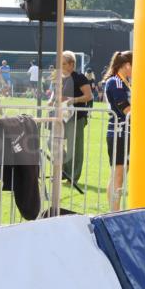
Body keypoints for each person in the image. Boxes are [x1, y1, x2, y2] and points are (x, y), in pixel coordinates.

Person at [53, 51, 93, 187]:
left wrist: (73, 100)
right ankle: (65, 171)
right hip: (61, 116)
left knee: (75, 148)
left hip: (76, 117)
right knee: (52, 142)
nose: (61, 66)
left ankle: (73, 177)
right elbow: (56, 95)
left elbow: (89, 96)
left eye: (64, 64)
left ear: (72, 64)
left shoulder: (80, 77)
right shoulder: (59, 78)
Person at [103, 51, 132, 211]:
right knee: (118, 174)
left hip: (125, 133)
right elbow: (126, 110)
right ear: (127, 65)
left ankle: (115, 210)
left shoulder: (125, 82)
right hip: (118, 132)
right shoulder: (116, 82)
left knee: (120, 173)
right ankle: (114, 211)